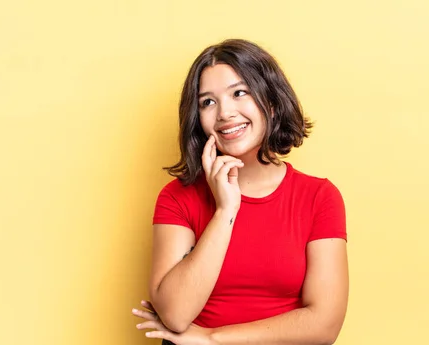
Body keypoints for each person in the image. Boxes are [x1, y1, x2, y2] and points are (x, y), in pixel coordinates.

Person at [131, 39, 349, 345]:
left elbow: (324, 325)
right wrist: (225, 210)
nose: (224, 113)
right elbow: (175, 314)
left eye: (239, 93)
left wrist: (212, 339)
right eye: (208, 101)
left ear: (271, 104)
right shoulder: (177, 197)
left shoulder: (318, 197)